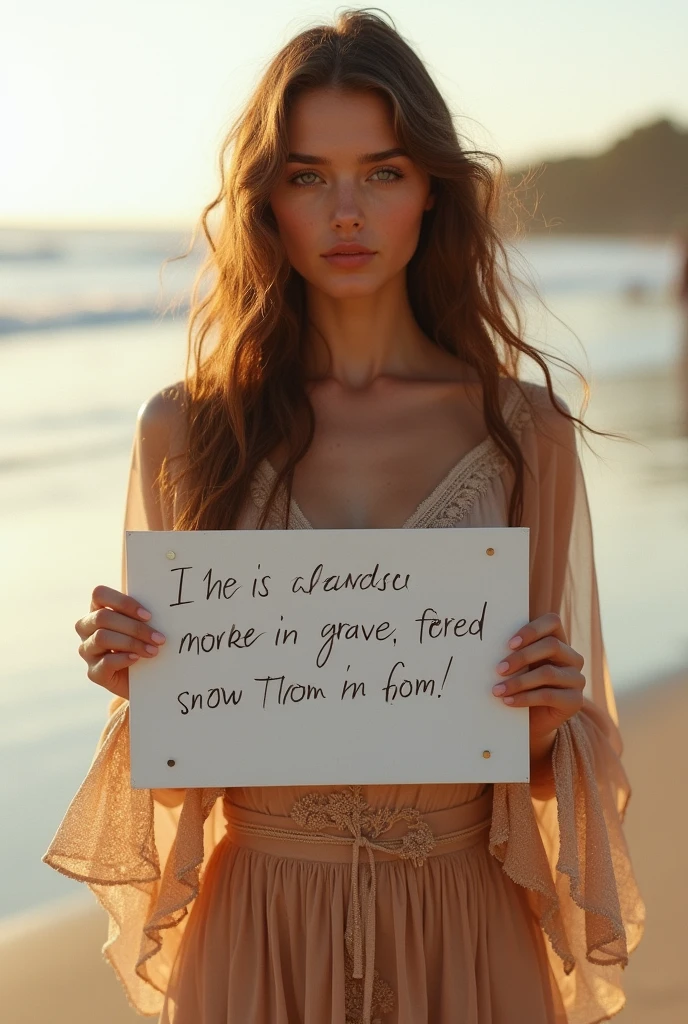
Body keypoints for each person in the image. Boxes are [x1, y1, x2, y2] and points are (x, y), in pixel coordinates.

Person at [43, 10, 645, 1024]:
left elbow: (543, 769)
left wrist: (545, 714)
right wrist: (135, 679)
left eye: (383, 170)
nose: (348, 211)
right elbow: (183, 755)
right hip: (258, 922)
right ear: (266, 200)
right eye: (308, 175)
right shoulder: (183, 433)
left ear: (431, 193)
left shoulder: (524, 429)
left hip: (463, 917)